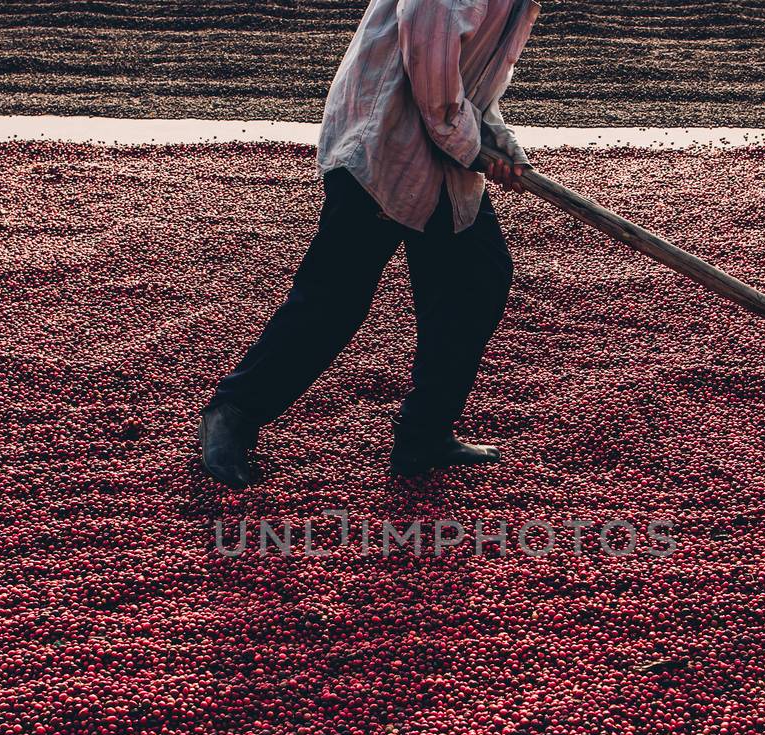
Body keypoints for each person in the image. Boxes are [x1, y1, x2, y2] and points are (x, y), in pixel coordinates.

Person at [199, 0, 540, 488]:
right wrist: (477, 152)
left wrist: (503, 149)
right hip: (384, 148)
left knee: (476, 281)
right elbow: (433, 73)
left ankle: (424, 435)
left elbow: (472, 83)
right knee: (333, 299)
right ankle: (234, 411)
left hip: (441, 158)